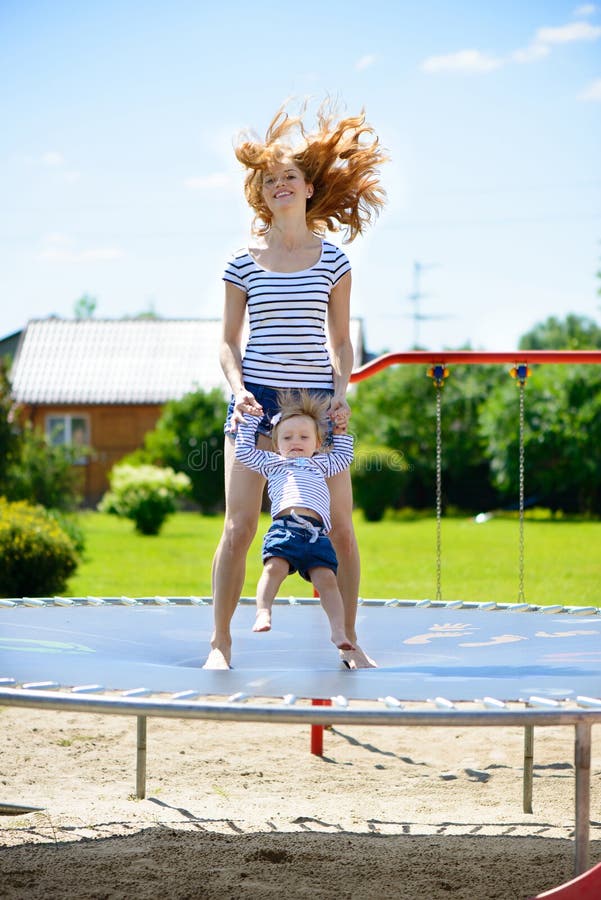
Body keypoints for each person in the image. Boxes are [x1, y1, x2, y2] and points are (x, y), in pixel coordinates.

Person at [204, 99, 387, 670]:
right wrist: (237, 390)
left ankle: (350, 643)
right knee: (239, 527)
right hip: (256, 403)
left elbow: (341, 341)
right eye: (270, 180)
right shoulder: (243, 260)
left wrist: (342, 391)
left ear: (308, 189)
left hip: (314, 408)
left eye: (290, 177)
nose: (280, 185)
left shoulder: (334, 259)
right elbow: (228, 342)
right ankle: (220, 643)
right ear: (261, 194)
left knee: (340, 528)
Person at [235, 389, 355, 651]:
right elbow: (244, 452)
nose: (295, 441)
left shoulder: (322, 463)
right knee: (273, 569)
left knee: (328, 581)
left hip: (317, 535)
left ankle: (338, 631)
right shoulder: (272, 462)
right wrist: (252, 421)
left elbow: (344, 457)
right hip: (284, 529)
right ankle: (263, 611)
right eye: (287, 437)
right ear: (277, 444)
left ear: (317, 443)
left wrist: (341, 431)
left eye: (304, 437)